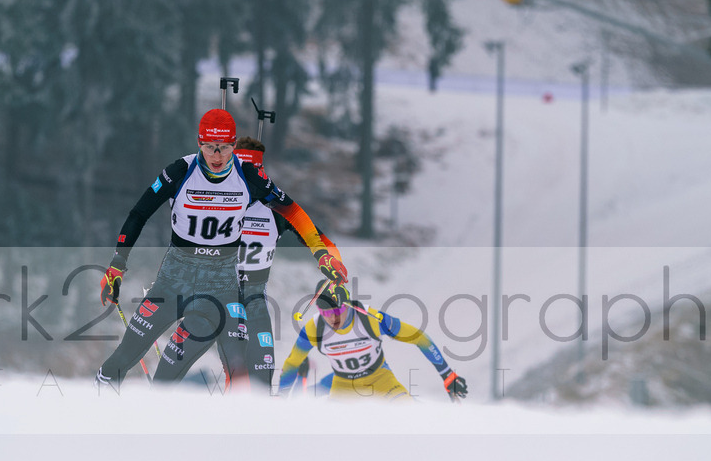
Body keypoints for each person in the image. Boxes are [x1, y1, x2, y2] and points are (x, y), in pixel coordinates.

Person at [95, 109, 348, 391]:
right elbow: (138, 213)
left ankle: (236, 428)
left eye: (225, 147)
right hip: (175, 277)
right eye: (210, 147)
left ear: (233, 145)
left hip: (221, 284)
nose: (217, 156)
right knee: (126, 356)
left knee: (243, 375)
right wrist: (118, 264)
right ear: (199, 143)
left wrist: (321, 253)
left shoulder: (248, 176)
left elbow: (294, 212)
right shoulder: (180, 171)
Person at [151, 135, 341, 389]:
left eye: (255, 172)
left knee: (259, 383)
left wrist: (333, 261)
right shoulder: (211, 201)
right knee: (167, 373)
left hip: (252, 304)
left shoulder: (274, 209)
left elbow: (320, 239)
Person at [278, 281, 469, 401]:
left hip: (381, 381)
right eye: (326, 313)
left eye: (338, 311)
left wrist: (447, 375)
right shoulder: (314, 328)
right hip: (343, 386)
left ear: (348, 306)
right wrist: (281, 398)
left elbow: (418, 337)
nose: (333, 318)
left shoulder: (370, 318)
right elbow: (292, 362)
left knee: (413, 419)